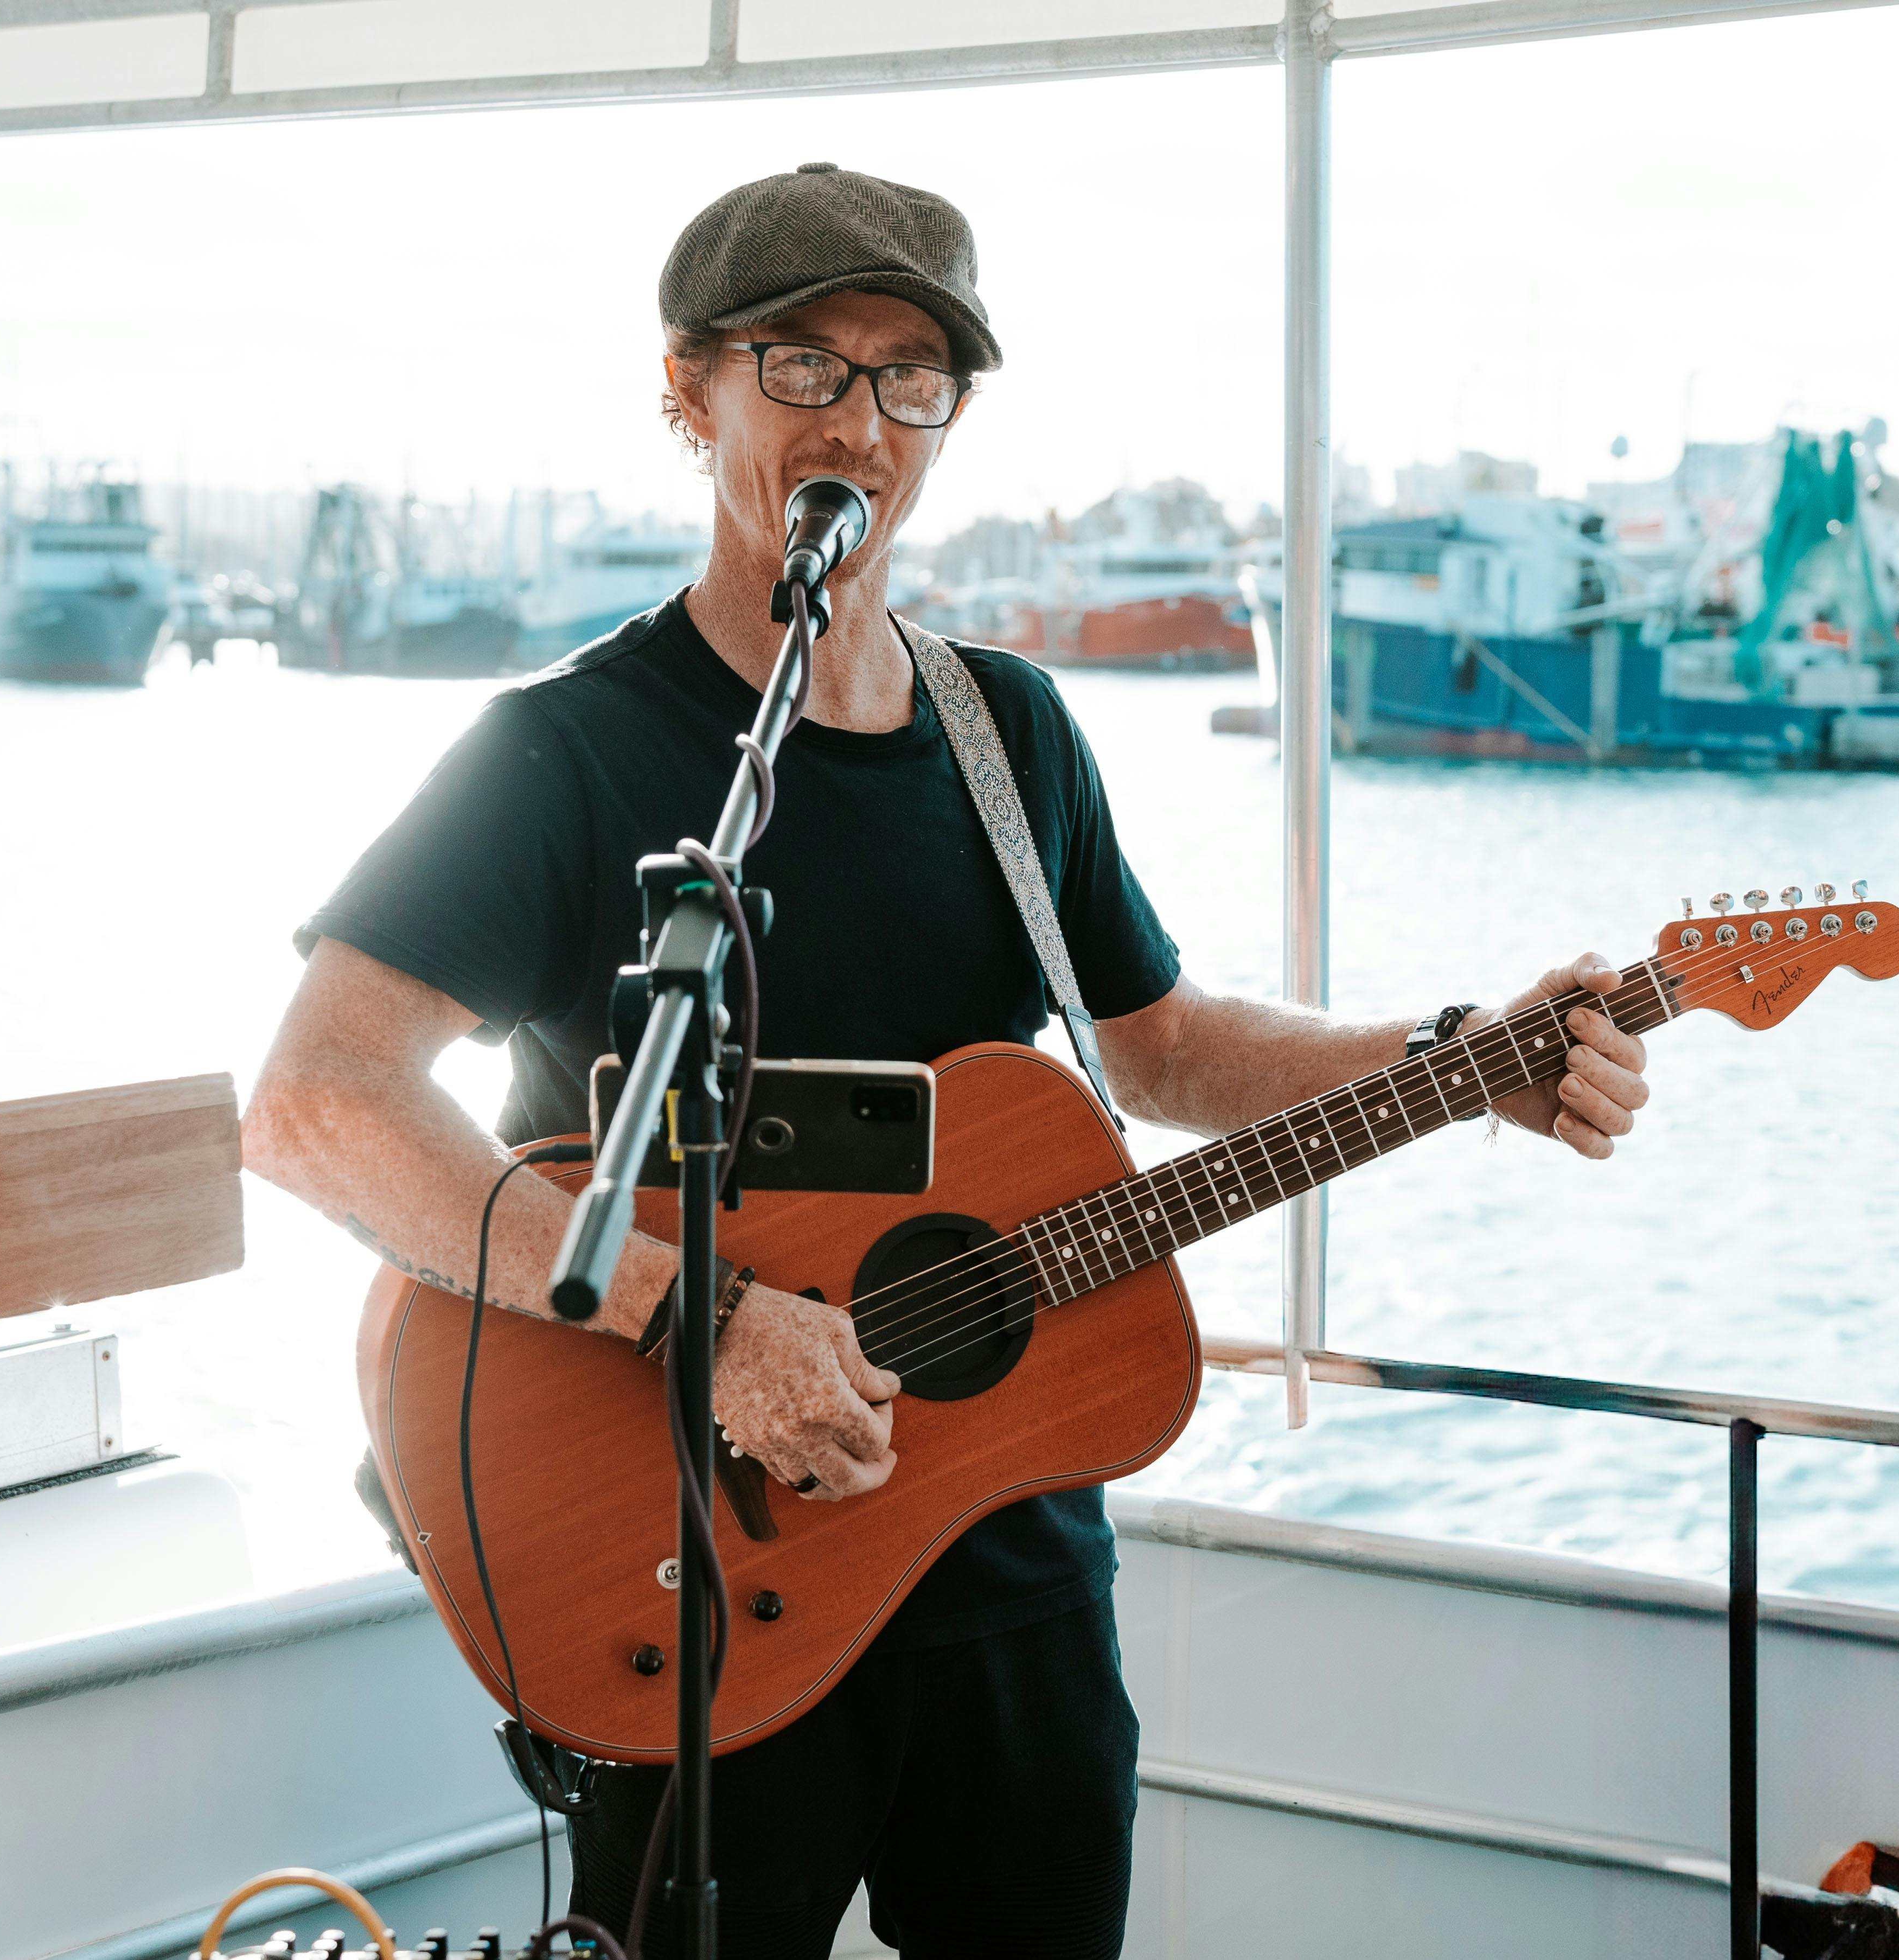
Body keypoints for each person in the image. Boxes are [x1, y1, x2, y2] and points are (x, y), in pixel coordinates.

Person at [243, 162, 1652, 1960]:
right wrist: (707, 1319)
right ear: (689, 390)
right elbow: (316, 1104)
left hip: (1006, 1564)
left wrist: (1455, 1058)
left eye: (913, 376)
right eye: (806, 366)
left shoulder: (1013, 733)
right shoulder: (563, 755)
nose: (865, 419)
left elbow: (1160, 1048)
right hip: (681, 1545)